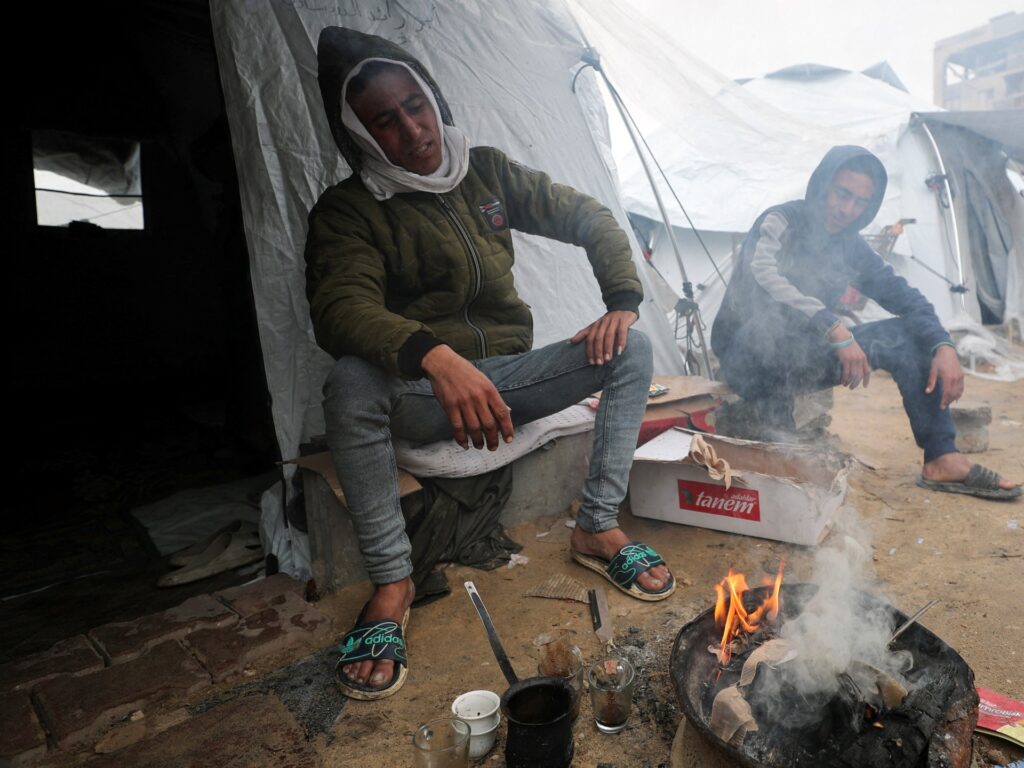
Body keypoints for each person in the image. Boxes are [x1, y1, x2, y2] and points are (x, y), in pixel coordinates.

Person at [306, 27, 676, 700]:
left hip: (507, 380)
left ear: (435, 97)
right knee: (352, 380)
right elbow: (339, 308)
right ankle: (393, 582)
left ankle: (595, 528)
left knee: (635, 347)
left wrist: (621, 300)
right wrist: (433, 355)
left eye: (417, 104)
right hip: (423, 394)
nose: (413, 129)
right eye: (385, 122)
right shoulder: (348, 211)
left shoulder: (486, 172)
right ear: (360, 134)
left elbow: (588, 216)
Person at [711, 145, 1020, 502]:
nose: (848, 210)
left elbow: (908, 300)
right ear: (823, 185)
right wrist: (833, 327)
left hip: (800, 359)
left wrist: (943, 344)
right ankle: (780, 447)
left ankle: (941, 457)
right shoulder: (781, 221)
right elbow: (763, 278)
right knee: (771, 326)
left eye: (860, 202)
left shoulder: (851, 248)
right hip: (747, 355)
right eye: (842, 194)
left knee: (910, 335)